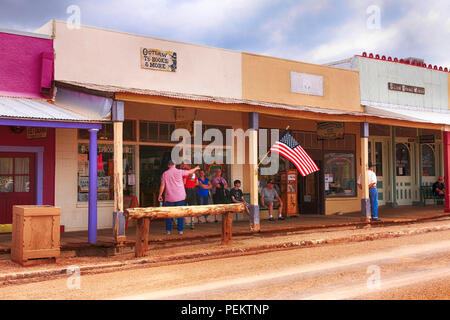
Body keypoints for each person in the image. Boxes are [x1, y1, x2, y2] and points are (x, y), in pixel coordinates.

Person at [158, 160, 200, 235]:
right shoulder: (180, 171)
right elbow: (190, 172)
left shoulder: (165, 174)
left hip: (170, 197)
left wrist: (160, 195)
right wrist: (196, 168)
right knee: (180, 214)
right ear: (175, 165)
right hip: (180, 196)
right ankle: (180, 230)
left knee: (169, 214)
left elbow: (162, 186)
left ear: (168, 165)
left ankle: (168, 230)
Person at [182, 163, 198, 229]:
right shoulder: (194, 173)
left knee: (183, 205)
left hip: (186, 189)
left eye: (183, 164)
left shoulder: (186, 172)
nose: (182, 165)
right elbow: (197, 183)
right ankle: (192, 222)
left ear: (186, 165)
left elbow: (184, 182)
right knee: (192, 206)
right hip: (193, 189)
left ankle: (184, 221)